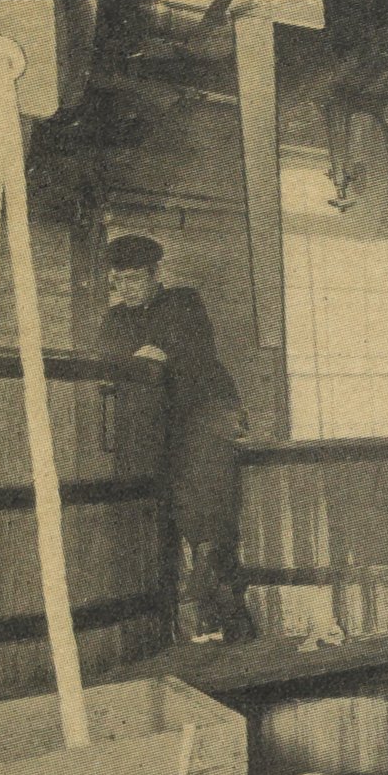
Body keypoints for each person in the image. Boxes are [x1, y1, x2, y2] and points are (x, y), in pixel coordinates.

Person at [96, 235, 253, 643]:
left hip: (199, 420)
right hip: (150, 431)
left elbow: (187, 351)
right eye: (119, 281)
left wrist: (154, 355)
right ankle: (168, 633)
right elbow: (112, 358)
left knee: (208, 519)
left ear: (155, 275)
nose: (126, 289)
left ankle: (230, 623)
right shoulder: (115, 320)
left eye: (134, 279)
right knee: (151, 525)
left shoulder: (184, 303)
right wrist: (142, 355)